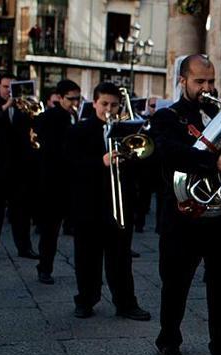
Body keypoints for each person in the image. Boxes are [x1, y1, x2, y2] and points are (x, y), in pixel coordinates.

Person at [149, 54, 221, 355]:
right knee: (176, 282)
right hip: (184, 214)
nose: (206, 87)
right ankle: (168, 340)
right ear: (183, 81)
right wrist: (215, 162)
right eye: (199, 81)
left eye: (210, 81)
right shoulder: (169, 116)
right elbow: (167, 152)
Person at [66, 82, 150, 321]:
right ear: (93, 103)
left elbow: (142, 166)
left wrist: (132, 158)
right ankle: (85, 300)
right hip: (89, 205)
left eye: (114, 105)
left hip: (120, 203)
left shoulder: (127, 131)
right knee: (87, 257)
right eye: (104, 104)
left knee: (121, 257)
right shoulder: (80, 131)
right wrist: (101, 162)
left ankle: (125, 303)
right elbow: (72, 165)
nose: (109, 109)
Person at [0, 74, 38, 258]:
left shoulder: (24, 107)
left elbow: (34, 127)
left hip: (18, 167)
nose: (8, 90)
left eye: (12, 87)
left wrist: (31, 106)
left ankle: (24, 247)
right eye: (5, 86)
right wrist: (6, 106)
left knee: (21, 211)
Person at [34, 79, 81, 284]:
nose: (75, 103)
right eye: (71, 99)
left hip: (71, 181)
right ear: (60, 98)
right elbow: (51, 148)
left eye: (77, 99)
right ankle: (44, 268)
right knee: (50, 231)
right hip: (54, 181)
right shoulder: (51, 117)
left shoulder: (73, 116)